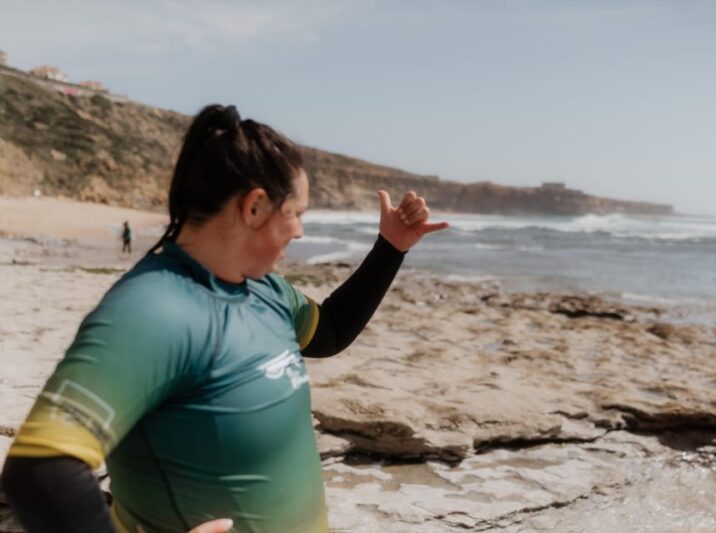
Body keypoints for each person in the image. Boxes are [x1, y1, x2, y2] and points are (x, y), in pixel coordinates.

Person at [1, 104, 448, 532]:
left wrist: (391, 248)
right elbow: (38, 470)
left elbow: (330, 331)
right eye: (296, 214)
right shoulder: (155, 310)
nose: (299, 231)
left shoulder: (267, 290)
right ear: (254, 207)